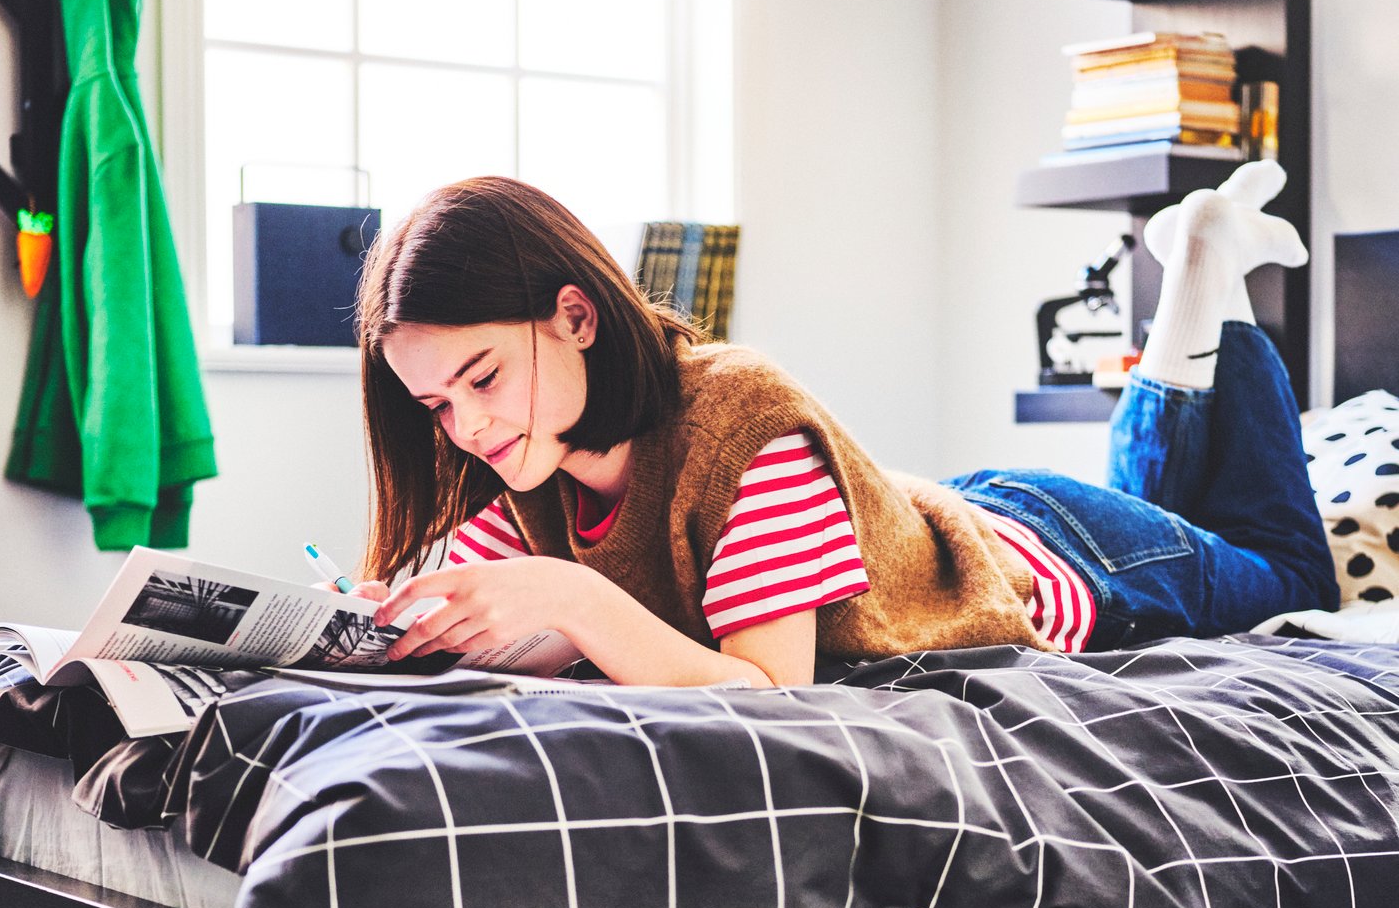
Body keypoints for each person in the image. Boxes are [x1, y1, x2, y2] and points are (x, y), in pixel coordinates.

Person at [358, 166, 1337, 687]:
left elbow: (765, 688)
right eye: (436, 403)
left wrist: (569, 598)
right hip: (962, 516)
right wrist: (392, 627)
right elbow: (513, 632)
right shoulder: (526, 471)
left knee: (1287, 575)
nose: (465, 425)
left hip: (1063, 562)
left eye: (480, 377)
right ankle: (1198, 267)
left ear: (575, 316)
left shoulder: (740, 418)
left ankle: (1214, 275)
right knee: (1172, 515)